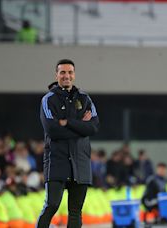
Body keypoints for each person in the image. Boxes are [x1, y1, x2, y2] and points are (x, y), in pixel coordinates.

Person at [37, 59, 100, 228]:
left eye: (70, 72)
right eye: (63, 72)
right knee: (51, 206)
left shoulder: (85, 98)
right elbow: (52, 130)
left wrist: (68, 122)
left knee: (75, 211)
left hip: (80, 161)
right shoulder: (48, 100)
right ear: (56, 75)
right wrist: (81, 125)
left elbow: (93, 127)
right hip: (57, 161)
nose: (67, 76)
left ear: (74, 74)